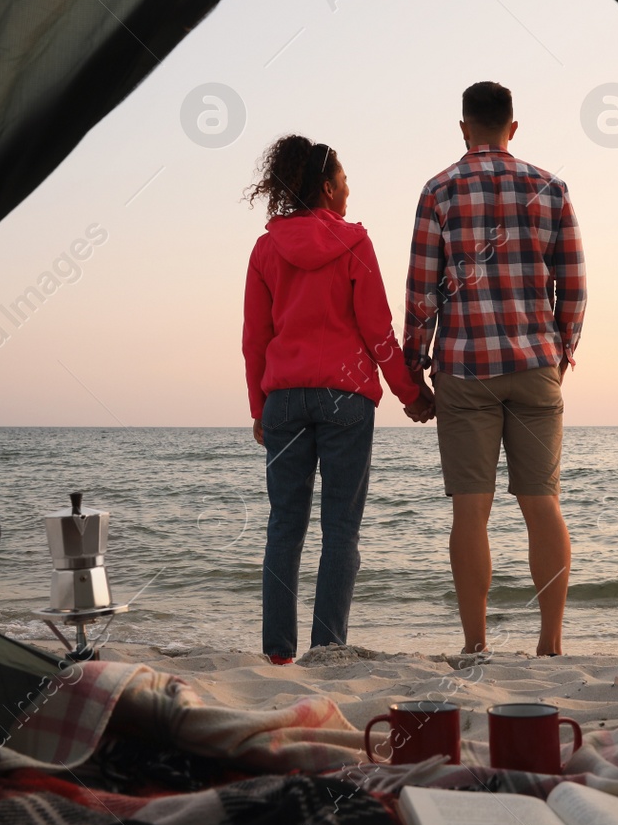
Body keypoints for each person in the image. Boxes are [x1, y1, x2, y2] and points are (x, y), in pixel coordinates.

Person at [403, 82, 587, 657]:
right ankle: (550, 642)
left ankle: (476, 642)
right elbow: (574, 284)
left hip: (465, 367)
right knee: (542, 502)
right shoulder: (549, 187)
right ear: (513, 127)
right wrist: (560, 353)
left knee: (471, 509)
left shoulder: (438, 190)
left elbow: (420, 293)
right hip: (534, 363)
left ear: (464, 128)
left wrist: (416, 368)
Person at [242, 135, 435, 665]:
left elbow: (254, 338)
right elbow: (378, 332)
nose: (350, 190)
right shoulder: (354, 242)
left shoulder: (266, 248)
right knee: (341, 529)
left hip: (283, 399)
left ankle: (278, 655)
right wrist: (411, 394)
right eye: (345, 181)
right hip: (345, 400)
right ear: (328, 188)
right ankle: (326, 649)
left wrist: (259, 409)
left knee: (284, 525)